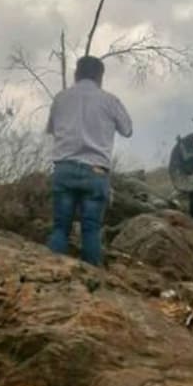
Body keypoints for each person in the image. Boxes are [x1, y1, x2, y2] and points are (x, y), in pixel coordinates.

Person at [45, 55, 133, 265]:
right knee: (91, 230)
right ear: (100, 77)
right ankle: (93, 279)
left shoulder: (60, 98)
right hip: (96, 172)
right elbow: (128, 130)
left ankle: (50, 275)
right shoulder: (110, 100)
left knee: (60, 228)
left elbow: (51, 130)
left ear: (76, 74)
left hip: (64, 168)